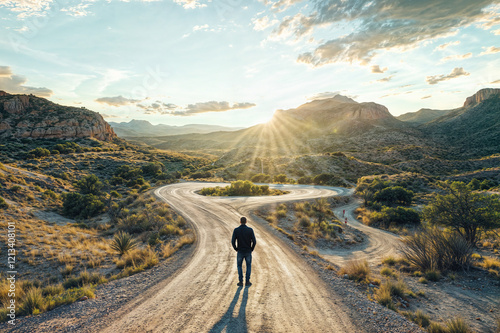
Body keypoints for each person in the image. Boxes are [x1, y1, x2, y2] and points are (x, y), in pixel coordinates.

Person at [231, 216, 256, 287]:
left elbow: (233, 241)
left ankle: (240, 281)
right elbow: (254, 241)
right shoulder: (250, 230)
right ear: (246, 222)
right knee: (248, 265)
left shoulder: (236, 230)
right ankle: (247, 281)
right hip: (248, 251)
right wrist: (251, 249)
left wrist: (236, 248)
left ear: (240, 222)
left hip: (240, 251)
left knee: (239, 266)